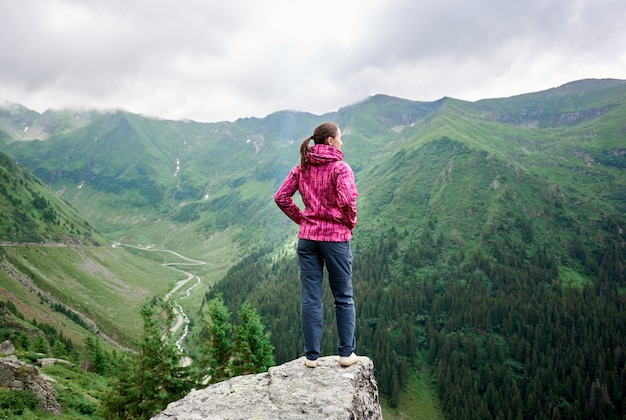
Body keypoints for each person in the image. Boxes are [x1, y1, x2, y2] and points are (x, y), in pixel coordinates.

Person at [274, 121, 360, 368]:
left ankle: (311, 357)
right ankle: (346, 354)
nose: (342, 142)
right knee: (343, 297)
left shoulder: (301, 167)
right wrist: (348, 223)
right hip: (335, 240)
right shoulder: (340, 168)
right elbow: (347, 201)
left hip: (308, 239)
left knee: (310, 297)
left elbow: (281, 197)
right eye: (340, 137)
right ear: (331, 141)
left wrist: (303, 219)